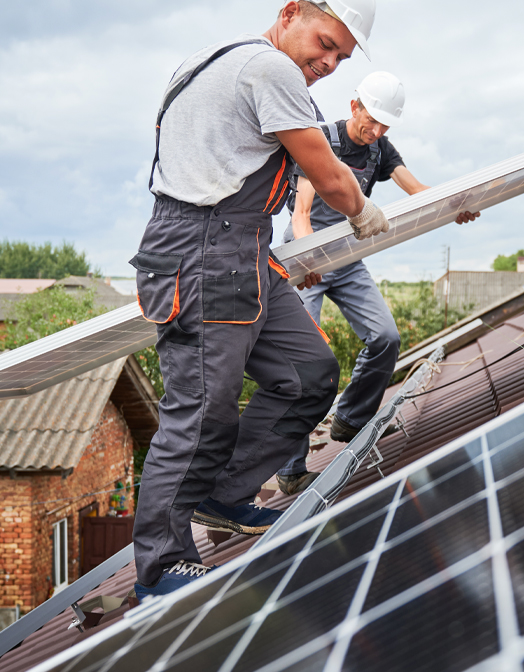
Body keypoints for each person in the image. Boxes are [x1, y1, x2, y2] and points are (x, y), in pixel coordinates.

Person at [131, 0, 386, 599]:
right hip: (200, 247)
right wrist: (362, 208)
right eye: (324, 42)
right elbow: (327, 177)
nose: (328, 62)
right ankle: (162, 565)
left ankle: (225, 494)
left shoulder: (219, 64)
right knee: (200, 412)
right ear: (291, 11)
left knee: (309, 373)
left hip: (243, 245)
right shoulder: (269, 69)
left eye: (341, 57)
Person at [275, 71, 479, 495]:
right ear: (355, 107)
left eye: (386, 124)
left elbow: (416, 189)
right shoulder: (321, 140)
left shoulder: (380, 149)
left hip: (348, 260)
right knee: (305, 363)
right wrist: (309, 258)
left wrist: (454, 206)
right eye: (372, 120)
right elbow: (301, 214)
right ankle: (291, 468)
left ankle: (350, 419)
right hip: (308, 260)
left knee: (386, 336)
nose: (378, 131)